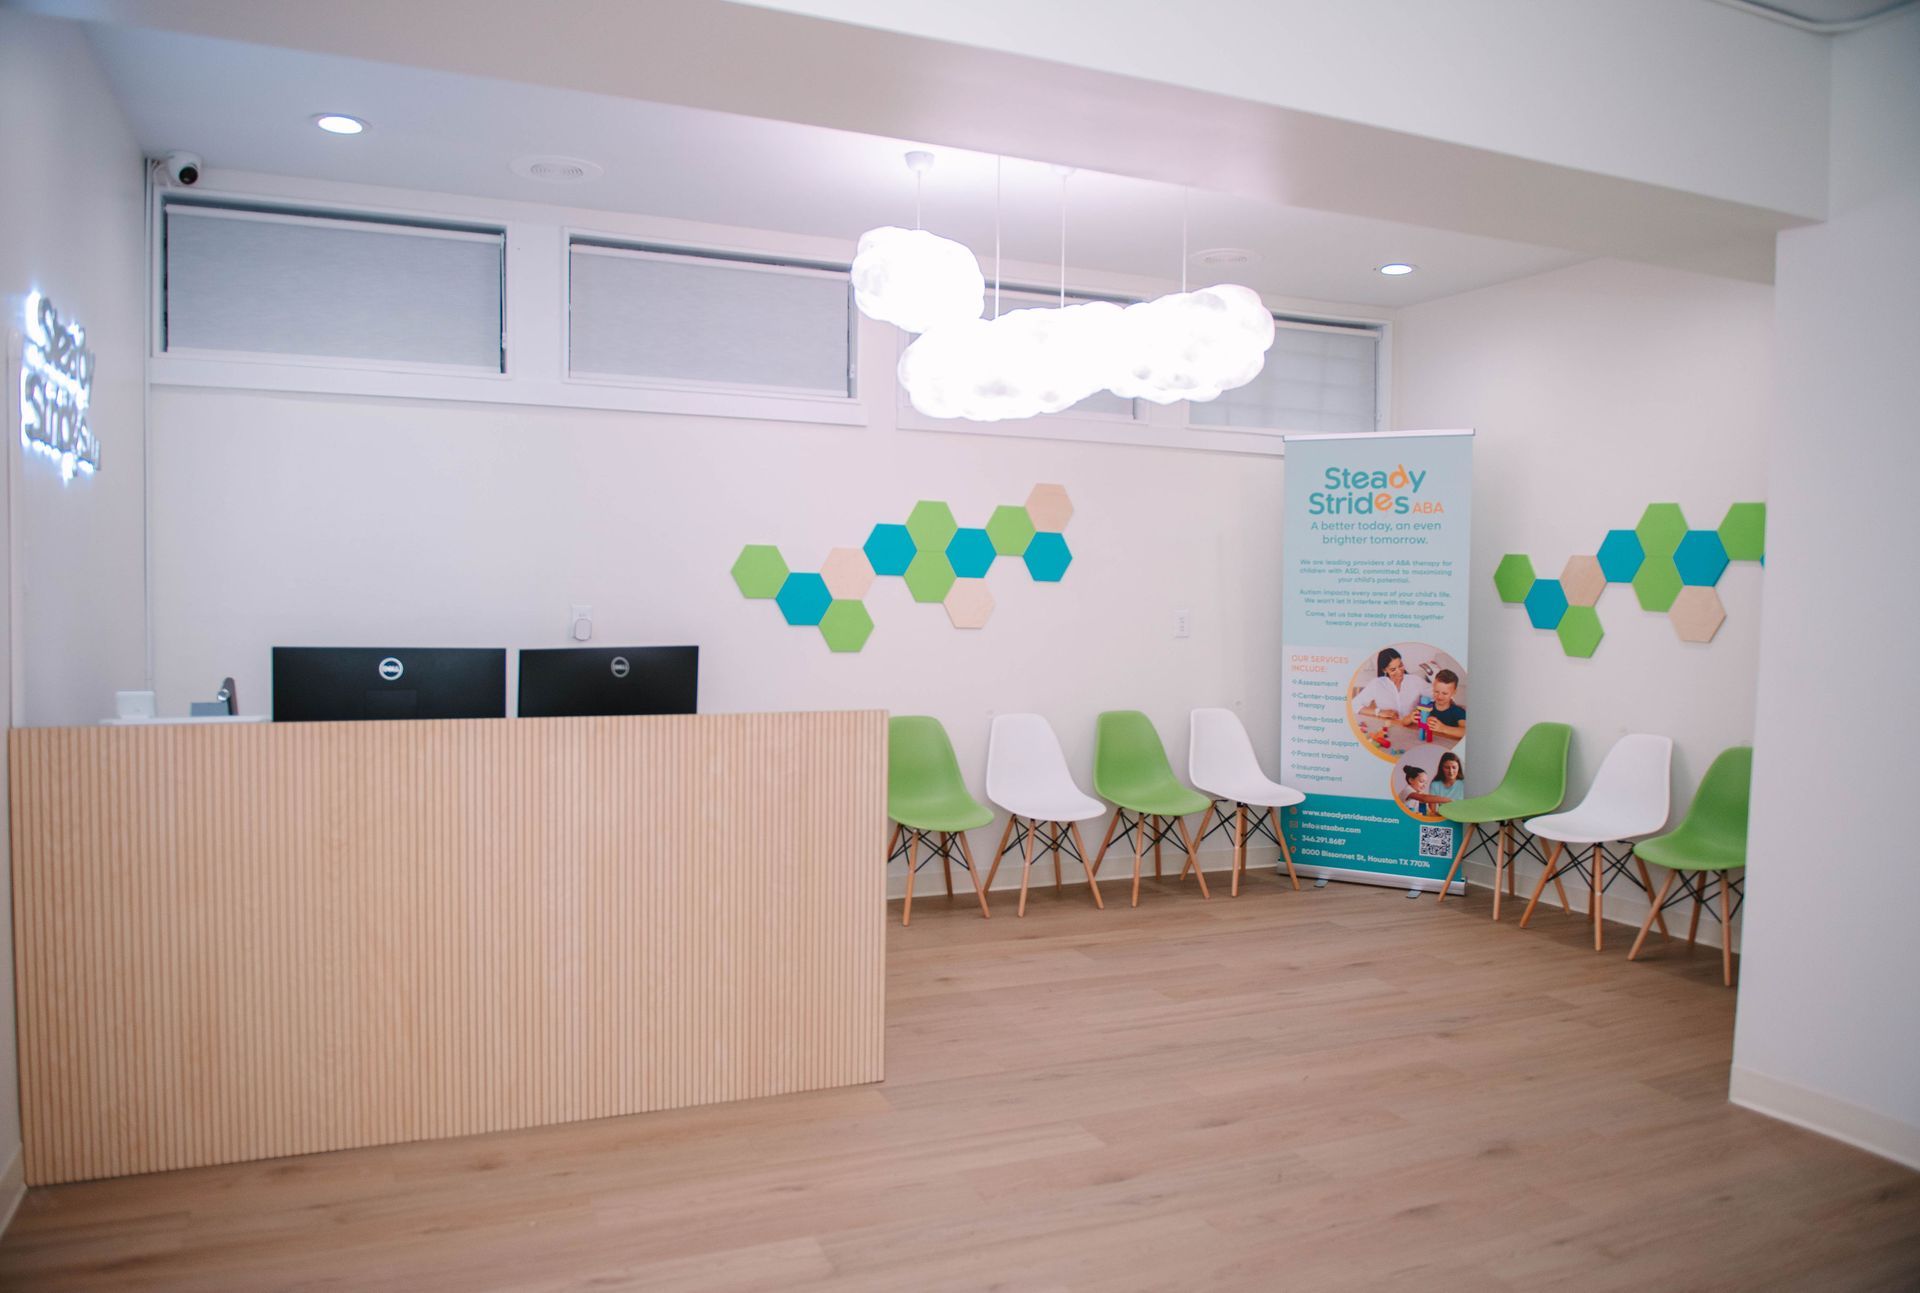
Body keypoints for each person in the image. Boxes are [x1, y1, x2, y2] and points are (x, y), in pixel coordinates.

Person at [1353, 648, 1423, 724]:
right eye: (1393, 669)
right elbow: (1354, 705)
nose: (1399, 672)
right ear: (1384, 670)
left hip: (1412, 727)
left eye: (1400, 666)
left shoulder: (1415, 680)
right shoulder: (1377, 684)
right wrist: (1379, 712)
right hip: (1389, 727)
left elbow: (1434, 695)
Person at [1424, 669, 1467, 739]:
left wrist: (1443, 728)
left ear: (1454, 692)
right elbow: (1404, 722)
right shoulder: (1427, 706)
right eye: (1436, 691)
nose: (1440, 696)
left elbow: (1465, 731)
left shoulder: (1458, 712)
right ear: (1433, 688)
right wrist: (1411, 718)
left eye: (1445, 693)